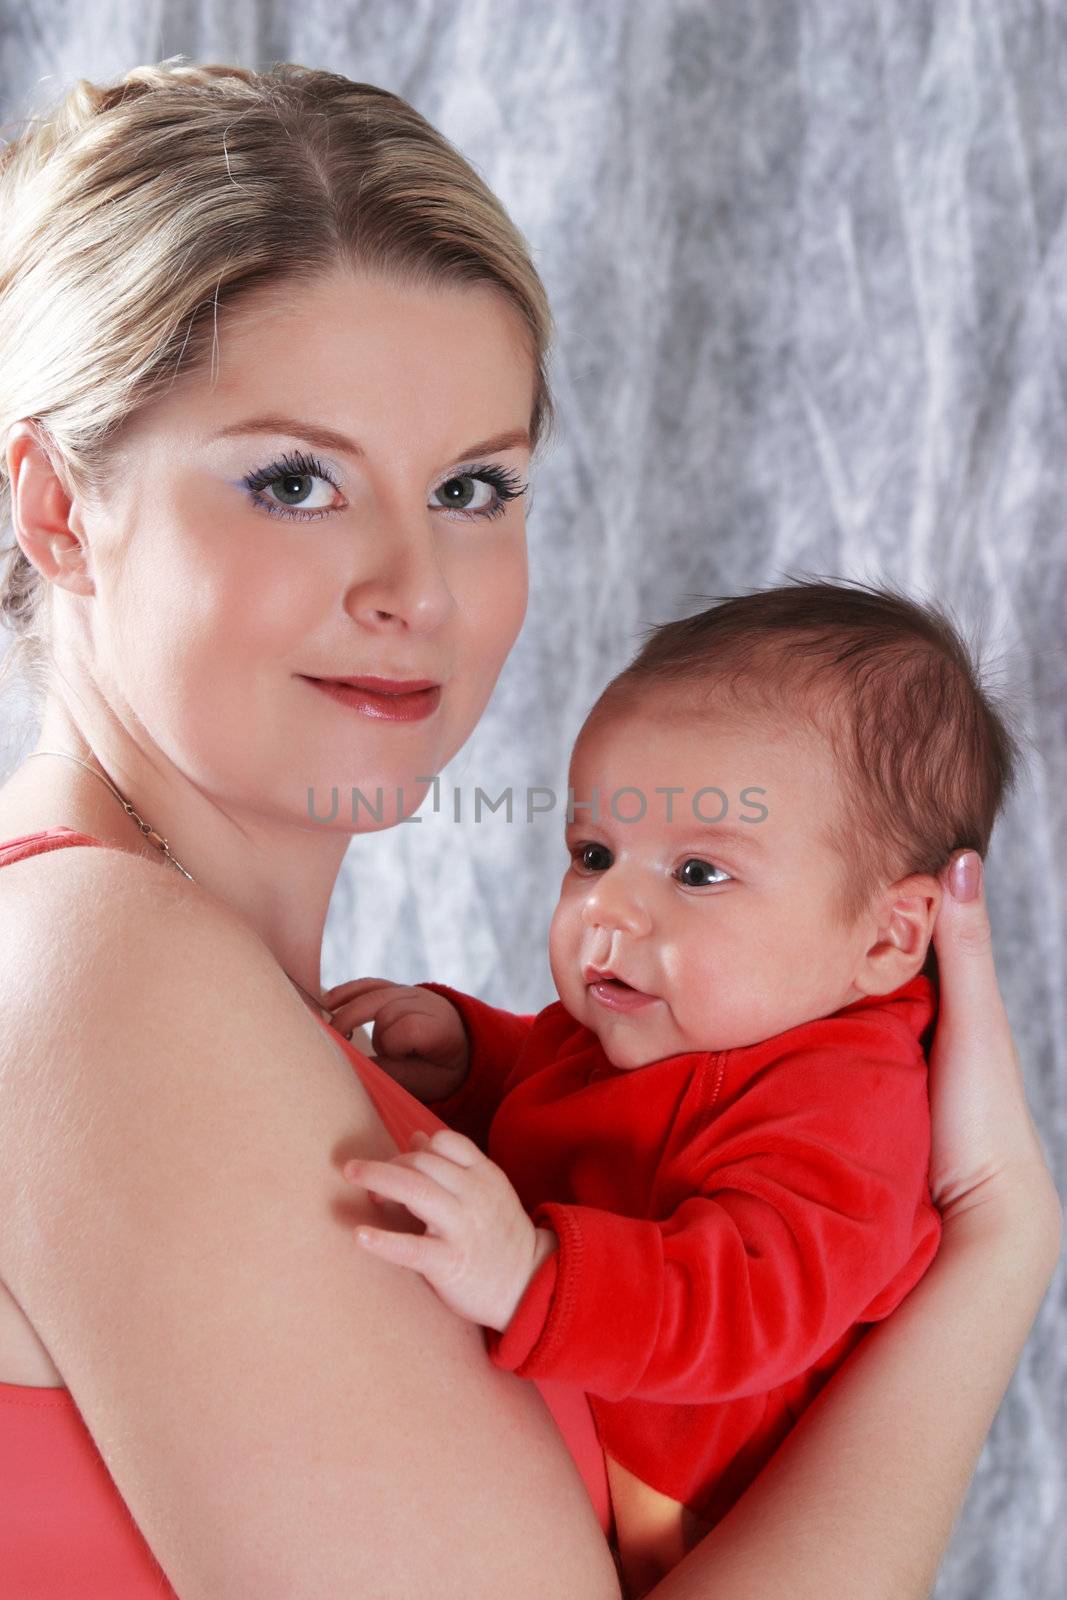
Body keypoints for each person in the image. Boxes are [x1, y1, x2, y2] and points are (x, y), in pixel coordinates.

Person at [0, 57, 1059, 1600]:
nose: (412, 587)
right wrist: (987, 1271)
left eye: (473, 485)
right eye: (295, 480)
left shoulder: (185, 985)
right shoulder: (110, 985)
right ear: (57, 512)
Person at [327, 577, 1015, 1595]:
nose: (609, 908)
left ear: (884, 935)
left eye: (697, 872)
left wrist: (532, 1276)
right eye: (593, 853)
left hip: (688, 1524)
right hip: (559, 1458)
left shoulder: (848, 1102)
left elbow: (748, 1296)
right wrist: (479, 1061)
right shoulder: (669, 1020)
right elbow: (589, 1111)